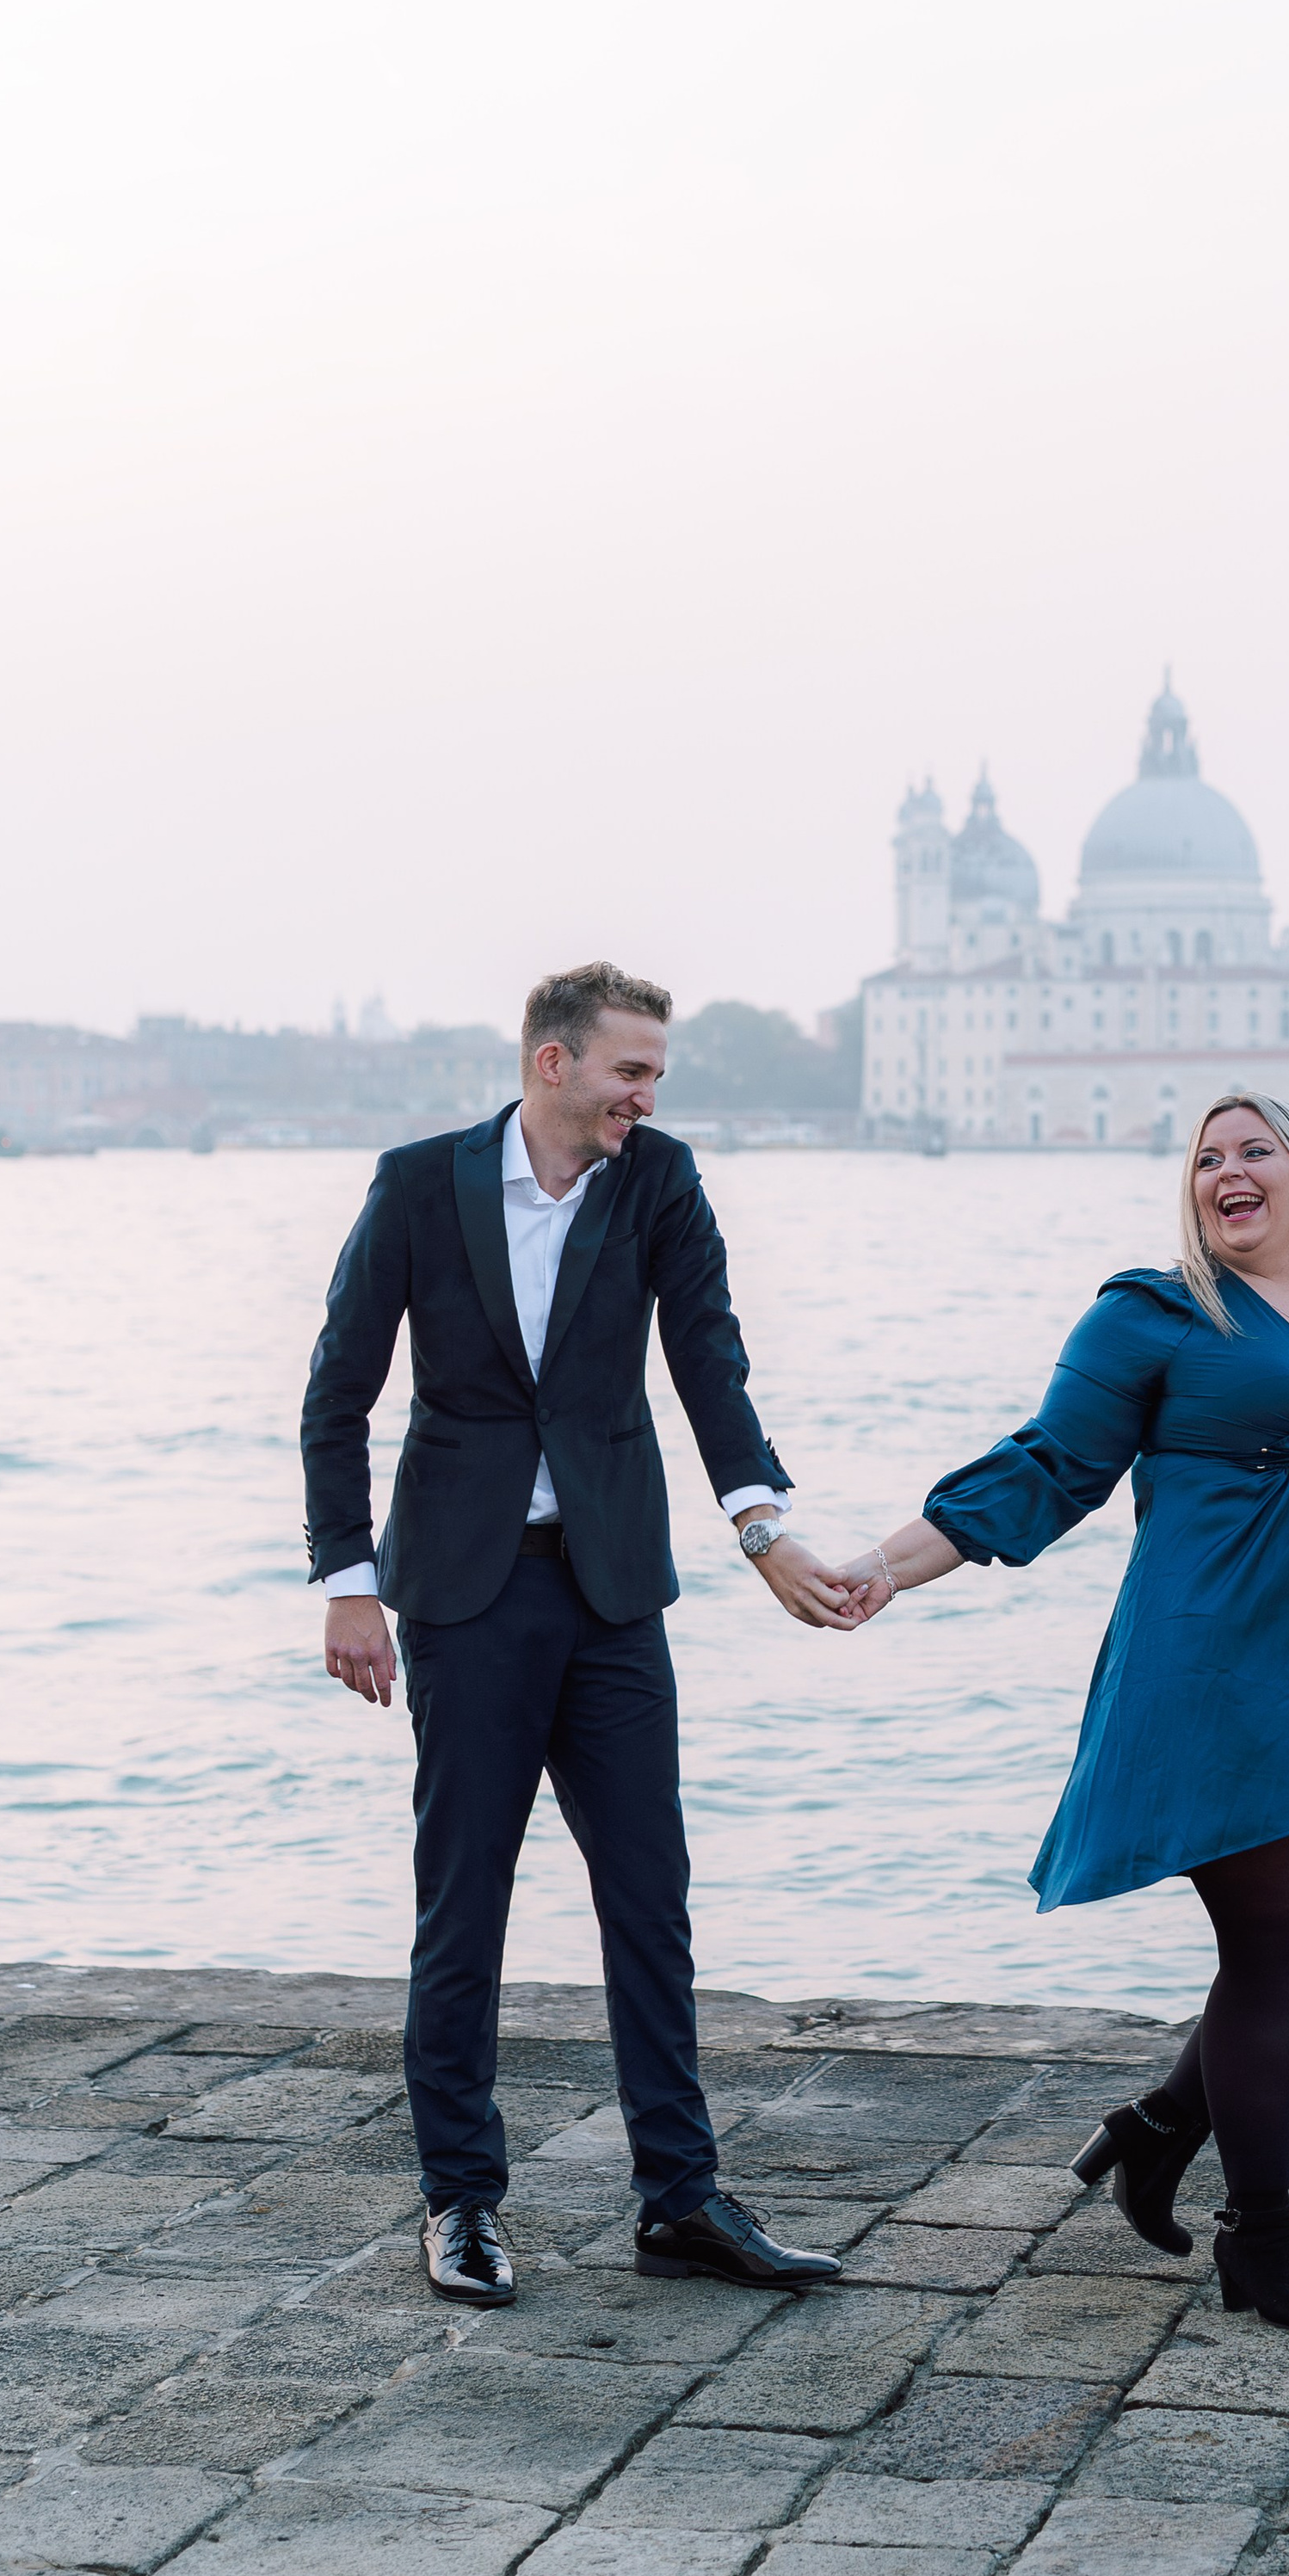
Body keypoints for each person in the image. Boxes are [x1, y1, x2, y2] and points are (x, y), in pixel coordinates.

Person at [833, 1092, 1289, 2329]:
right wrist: (890, 1565)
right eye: (1207, 1158)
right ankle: (1255, 2244)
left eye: (1252, 1150)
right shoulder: (1154, 1315)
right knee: (1278, 1952)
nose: (1227, 1171)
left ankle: (1159, 2126)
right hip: (1223, 1663)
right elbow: (1050, 1463)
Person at [301, 960, 860, 2309]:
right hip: (462, 1595)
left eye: (656, 1073)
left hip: (612, 1590)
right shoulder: (421, 1184)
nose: (647, 1096)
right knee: (465, 1904)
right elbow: (340, 1389)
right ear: (553, 1064)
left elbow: (709, 1360)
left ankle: (681, 2200)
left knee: (649, 1897)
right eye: (630, 1071)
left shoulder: (659, 1182)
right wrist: (347, 1583)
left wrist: (761, 1527)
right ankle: (461, 2204)